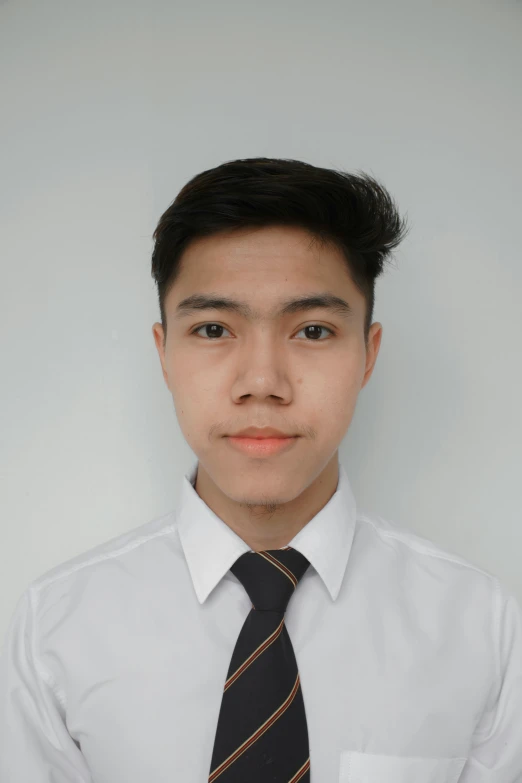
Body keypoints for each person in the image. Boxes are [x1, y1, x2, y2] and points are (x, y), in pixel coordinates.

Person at [1, 157, 521, 782]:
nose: (262, 383)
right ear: (164, 354)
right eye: (214, 328)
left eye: (313, 330)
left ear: (368, 354)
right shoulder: (57, 629)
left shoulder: (481, 628)